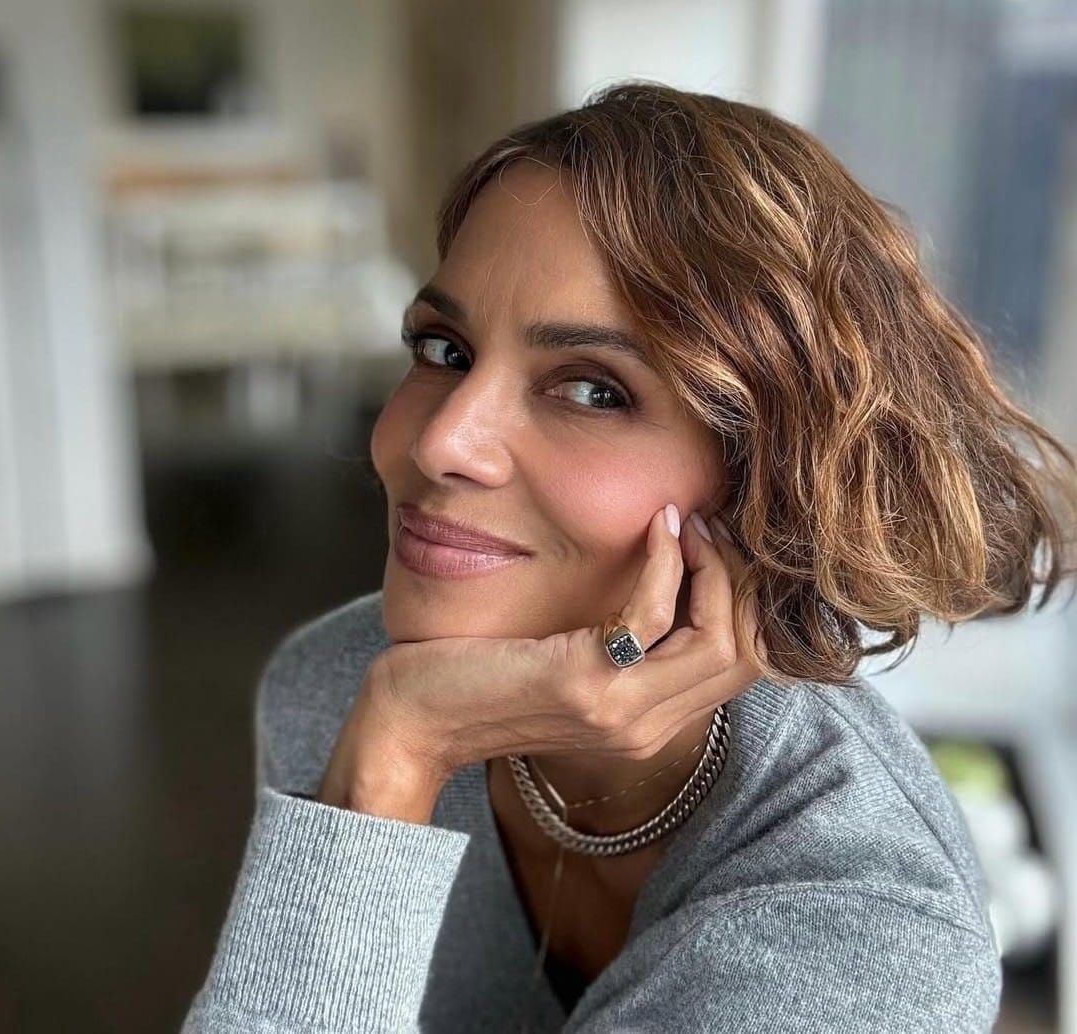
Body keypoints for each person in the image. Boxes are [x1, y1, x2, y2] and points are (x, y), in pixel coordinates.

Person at [180, 81, 1077, 1033]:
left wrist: (402, 747)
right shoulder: (343, 689)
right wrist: (394, 757)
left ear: (770, 478)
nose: (443, 441)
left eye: (593, 391)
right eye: (444, 350)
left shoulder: (872, 937)